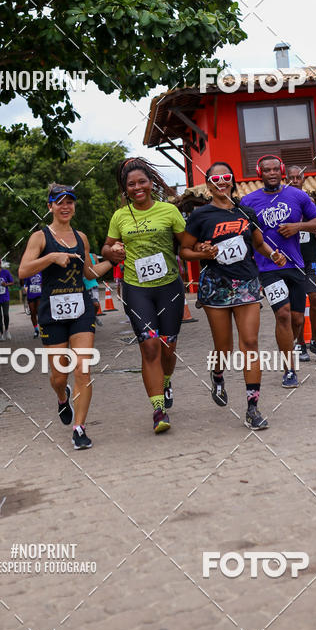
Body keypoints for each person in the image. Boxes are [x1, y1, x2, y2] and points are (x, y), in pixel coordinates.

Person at [181, 162, 286, 429]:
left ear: (232, 181)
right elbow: (184, 251)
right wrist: (202, 252)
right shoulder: (200, 215)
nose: (221, 183)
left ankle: (253, 408)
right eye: (215, 179)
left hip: (247, 283)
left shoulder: (246, 212)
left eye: (226, 177)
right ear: (208, 185)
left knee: (250, 343)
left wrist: (273, 254)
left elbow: (259, 243)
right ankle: (218, 374)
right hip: (216, 286)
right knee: (224, 348)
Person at [101, 157, 194, 434]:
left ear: (151, 183)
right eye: (131, 184)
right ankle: (158, 409)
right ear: (125, 189)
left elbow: (187, 243)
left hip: (169, 288)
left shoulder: (169, 211)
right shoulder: (120, 216)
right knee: (150, 346)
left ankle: (165, 381)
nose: (137, 187)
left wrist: (204, 244)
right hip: (136, 288)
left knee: (168, 346)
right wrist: (112, 251)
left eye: (142, 182)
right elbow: (106, 248)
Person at [18, 184, 112, 449]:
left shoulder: (81, 238)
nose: (66, 206)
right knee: (59, 376)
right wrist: (51, 257)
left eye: (70, 202)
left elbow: (89, 273)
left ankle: (79, 428)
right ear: (50, 206)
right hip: (52, 313)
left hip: (81, 309)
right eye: (60, 202)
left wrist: (115, 261)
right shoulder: (40, 237)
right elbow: (23, 271)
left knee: (83, 369)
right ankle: (62, 396)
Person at [240, 155, 316, 389]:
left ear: (281, 172)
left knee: (297, 319)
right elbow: (242, 235)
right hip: (268, 268)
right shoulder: (248, 201)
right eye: (267, 170)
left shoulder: (298, 196)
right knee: (283, 314)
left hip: (296, 266)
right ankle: (289, 370)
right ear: (260, 173)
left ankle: (296, 344)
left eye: (275, 169)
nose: (272, 173)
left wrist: (298, 226)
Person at [287, 166, 316, 362]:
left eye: (298, 177)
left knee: (315, 297)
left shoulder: (310, 203)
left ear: (303, 180)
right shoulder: (282, 204)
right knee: (296, 304)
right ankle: (300, 343)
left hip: (311, 259)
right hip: (291, 261)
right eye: (291, 178)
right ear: (286, 180)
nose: (295, 180)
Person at [83, 251, 103, 326]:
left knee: (96, 304)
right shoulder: (77, 255)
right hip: (81, 285)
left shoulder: (93, 256)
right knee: (84, 307)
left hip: (92, 284)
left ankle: (93, 317)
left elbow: (99, 269)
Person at [23, 271, 42, 337]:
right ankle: (36, 330)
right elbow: (24, 284)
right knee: (33, 312)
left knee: (39, 311)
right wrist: (25, 289)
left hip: (40, 295)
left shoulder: (41, 272)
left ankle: (42, 328)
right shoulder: (29, 272)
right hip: (31, 295)